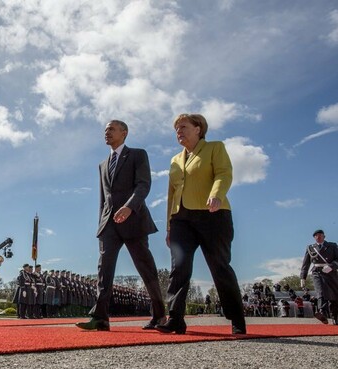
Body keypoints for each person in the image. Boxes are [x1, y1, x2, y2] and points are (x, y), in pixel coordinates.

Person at [156, 113, 246, 335]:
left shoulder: (215, 148)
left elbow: (224, 173)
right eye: (176, 128)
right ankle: (175, 318)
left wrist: (216, 194)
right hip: (181, 219)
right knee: (179, 269)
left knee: (219, 266)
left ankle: (236, 318)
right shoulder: (175, 160)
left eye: (183, 126)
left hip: (213, 214)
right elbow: (171, 193)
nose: (179, 131)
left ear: (198, 129)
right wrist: (169, 225)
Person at [76, 120, 165, 332]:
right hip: (109, 225)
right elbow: (103, 198)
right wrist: (101, 226)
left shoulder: (137, 154)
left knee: (145, 268)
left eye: (111, 129)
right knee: (104, 270)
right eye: (105, 130)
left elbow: (143, 185)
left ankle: (159, 315)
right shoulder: (102, 164)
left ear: (124, 133)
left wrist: (129, 207)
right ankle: (100, 317)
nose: (106, 132)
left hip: (133, 219)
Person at [300, 229, 338, 325]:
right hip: (317, 272)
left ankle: (335, 316)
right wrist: (302, 277)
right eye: (316, 235)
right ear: (314, 237)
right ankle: (322, 313)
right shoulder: (311, 248)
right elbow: (306, 263)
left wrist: (331, 266)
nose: (318, 237)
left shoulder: (332, 246)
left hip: (331, 272)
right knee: (320, 292)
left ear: (324, 236)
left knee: (334, 295)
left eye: (320, 235)